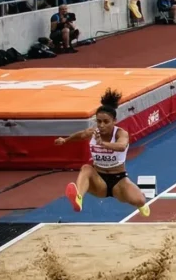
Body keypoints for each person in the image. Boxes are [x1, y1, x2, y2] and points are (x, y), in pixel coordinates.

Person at [54, 89, 150, 217]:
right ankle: (78, 198)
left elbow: (121, 147)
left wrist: (102, 144)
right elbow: (81, 135)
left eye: (106, 122)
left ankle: (140, 200)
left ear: (114, 121)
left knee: (140, 200)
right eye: (99, 121)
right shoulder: (93, 133)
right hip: (99, 181)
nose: (101, 125)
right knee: (86, 168)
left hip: (119, 180)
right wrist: (65, 140)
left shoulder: (120, 133)